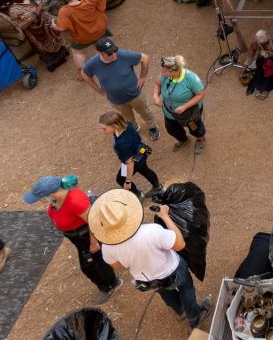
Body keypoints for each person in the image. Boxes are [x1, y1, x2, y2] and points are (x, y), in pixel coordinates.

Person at [90, 189, 212, 329]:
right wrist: (165, 216)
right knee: (186, 289)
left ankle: (180, 311)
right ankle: (194, 317)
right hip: (172, 270)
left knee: (164, 291)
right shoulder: (151, 231)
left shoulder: (107, 247)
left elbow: (118, 266)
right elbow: (180, 244)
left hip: (147, 280)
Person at [23, 175, 120, 303]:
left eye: (39, 198)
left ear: (51, 194)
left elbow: (93, 221)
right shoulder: (58, 198)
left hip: (86, 237)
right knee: (94, 262)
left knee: (92, 265)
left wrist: (94, 243)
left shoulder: (75, 202)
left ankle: (111, 284)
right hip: (77, 238)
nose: (38, 201)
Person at [82, 38, 160, 141]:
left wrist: (142, 77)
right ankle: (134, 129)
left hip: (135, 94)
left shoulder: (123, 55)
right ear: (98, 52)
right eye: (109, 53)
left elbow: (145, 58)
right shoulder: (93, 63)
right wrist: (98, 90)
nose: (114, 54)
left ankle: (152, 126)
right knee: (127, 117)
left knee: (145, 111)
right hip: (116, 100)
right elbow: (85, 74)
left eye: (114, 50)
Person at [0, 0, 69, 71]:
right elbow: (28, 20)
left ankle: (62, 54)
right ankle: (54, 62)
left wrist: (39, 4)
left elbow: (37, 4)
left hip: (45, 25)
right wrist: (39, 8)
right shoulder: (14, 10)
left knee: (54, 39)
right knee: (44, 46)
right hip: (35, 31)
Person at [55, 0, 110, 77]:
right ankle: (105, 65)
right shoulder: (89, 0)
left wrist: (53, 26)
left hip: (83, 37)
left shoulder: (64, 11)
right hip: (99, 30)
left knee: (77, 51)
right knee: (99, 47)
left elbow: (61, 28)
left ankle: (84, 73)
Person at [97, 111, 163, 198]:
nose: (102, 131)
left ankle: (138, 195)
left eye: (104, 128)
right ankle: (157, 187)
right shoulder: (127, 125)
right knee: (144, 169)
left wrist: (128, 181)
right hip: (141, 153)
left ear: (115, 126)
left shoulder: (121, 144)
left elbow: (130, 163)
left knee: (121, 179)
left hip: (131, 161)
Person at [153, 55, 207, 154]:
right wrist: (155, 96)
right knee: (171, 129)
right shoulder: (164, 74)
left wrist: (184, 107)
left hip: (189, 113)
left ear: (174, 71)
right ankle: (183, 139)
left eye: (164, 71)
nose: (161, 73)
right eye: (162, 70)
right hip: (170, 112)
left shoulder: (191, 78)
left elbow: (201, 94)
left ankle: (200, 139)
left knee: (195, 128)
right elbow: (157, 84)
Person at [243, 29, 273, 99]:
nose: (264, 44)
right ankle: (259, 87)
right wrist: (246, 66)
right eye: (262, 44)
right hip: (262, 61)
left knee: (268, 63)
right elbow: (250, 54)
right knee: (262, 64)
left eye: (265, 43)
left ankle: (266, 88)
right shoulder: (255, 44)